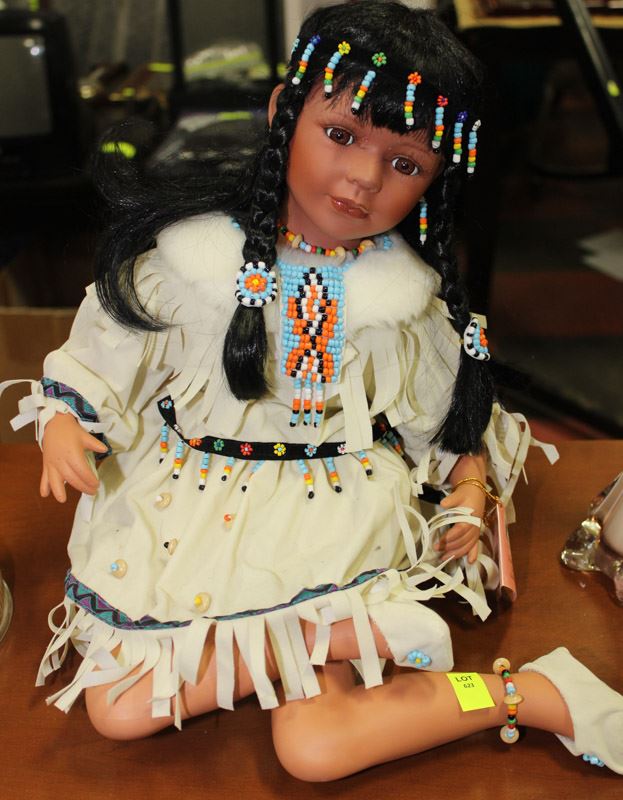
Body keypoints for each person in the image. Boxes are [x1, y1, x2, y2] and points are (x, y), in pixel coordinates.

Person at [3, 0, 621, 781]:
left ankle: (521, 694)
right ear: (283, 111)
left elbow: (449, 418)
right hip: (192, 508)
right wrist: (68, 418)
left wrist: (467, 486)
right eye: (340, 135)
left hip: (330, 516)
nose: (363, 178)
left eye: (405, 164)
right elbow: (105, 351)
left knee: (313, 748)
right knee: (123, 710)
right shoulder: (192, 259)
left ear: (435, 178)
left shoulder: (403, 302)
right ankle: (384, 646)